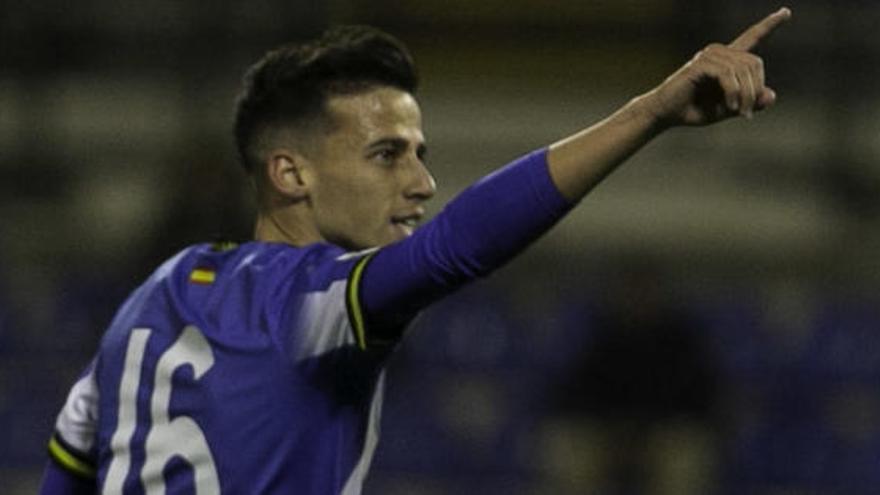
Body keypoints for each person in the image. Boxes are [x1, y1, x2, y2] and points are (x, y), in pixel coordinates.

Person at [39, 7, 792, 494]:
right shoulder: (311, 307)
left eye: (420, 153)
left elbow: (69, 458)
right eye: (387, 155)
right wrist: (651, 112)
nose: (423, 181)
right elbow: (454, 251)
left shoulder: (160, 290)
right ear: (290, 172)